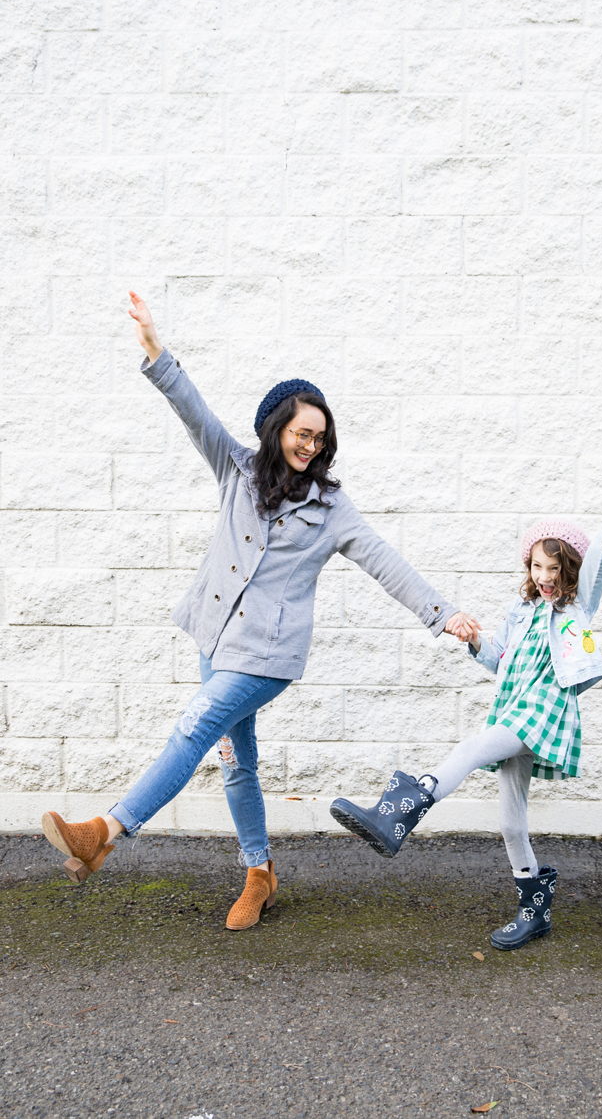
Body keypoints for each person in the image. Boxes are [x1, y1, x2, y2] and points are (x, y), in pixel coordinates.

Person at [40, 290, 479, 930]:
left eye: (320, 438)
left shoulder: (333, 509)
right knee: (235, 762)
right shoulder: (237, 470)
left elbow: (384, 560)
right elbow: (195, 415)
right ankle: (260, 874)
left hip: (266, 656)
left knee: (194, 724)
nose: (310, 445)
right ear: (276, 429)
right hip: (214, 637)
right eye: (302, 433)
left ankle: (103, 833)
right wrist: (156, 349)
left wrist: (444, 614)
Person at [330, 475, 602, 950]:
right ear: (528, 567)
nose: (545, 577)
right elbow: (498, 659)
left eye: (555, 568)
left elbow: (601, 563)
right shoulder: (521, 610)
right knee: (511, 821)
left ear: (569, 572)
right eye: (537, 566)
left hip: (542, 712)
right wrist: (474, 639)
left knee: (471, 748)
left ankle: (397, 814)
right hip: (514, 710)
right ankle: (535, 910)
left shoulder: (575, 609)